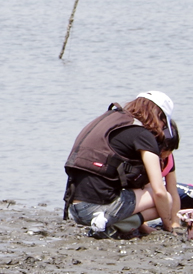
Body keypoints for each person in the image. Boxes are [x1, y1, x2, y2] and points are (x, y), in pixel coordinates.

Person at [64, 91, 181, 238]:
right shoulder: (143, 135)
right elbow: (159, 191)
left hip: (75, 208)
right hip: (96, 208)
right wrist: (169, 227)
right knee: (166, 200)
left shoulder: (112, 119)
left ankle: (110, 223)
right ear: (160, 117)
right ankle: (111, 226)